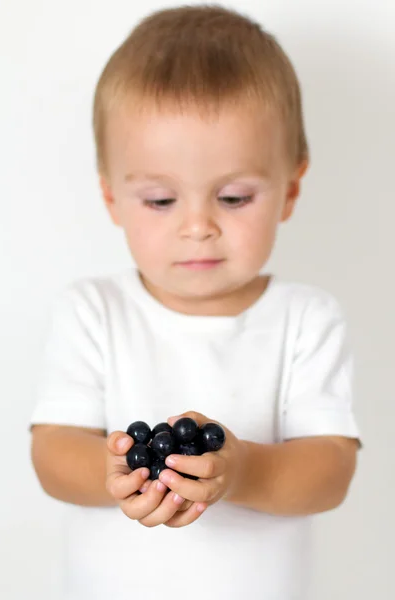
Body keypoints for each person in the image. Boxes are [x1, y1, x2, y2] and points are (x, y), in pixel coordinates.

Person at [29, 4, 362, 600]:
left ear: (289, 189)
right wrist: (114, 472)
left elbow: (330, 471)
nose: (198, 225)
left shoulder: (306, 318)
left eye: (233, 197)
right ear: (111, 197)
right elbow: (52, 452)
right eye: (160, 200)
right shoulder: (93, 311)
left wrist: (239, 469)